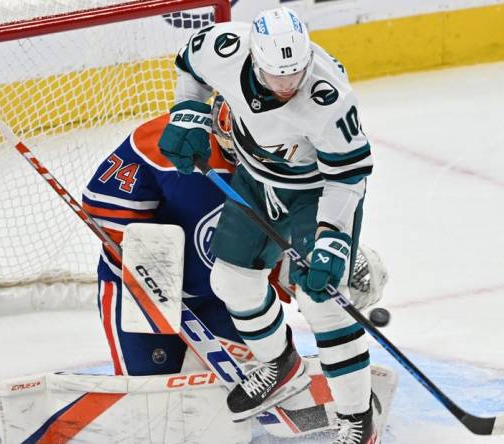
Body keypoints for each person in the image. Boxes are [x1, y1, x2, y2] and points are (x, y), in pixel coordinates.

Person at [158, 6, 376, 444]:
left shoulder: (328, 96)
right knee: (231, 281)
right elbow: (189, 67)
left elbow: (348, 176)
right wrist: (188, 113)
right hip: (255, 180)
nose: (285, 86)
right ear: (255, 57)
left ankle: (357, 416)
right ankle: (280, 363)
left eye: (294, 74)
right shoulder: (225, 48)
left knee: (322, 303)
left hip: (316, 192)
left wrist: (331, 239)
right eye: (277, 76)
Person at [82, 98, 385, 378]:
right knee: (150, 390)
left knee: (265, 373)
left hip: (226, 297)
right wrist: (154, 267)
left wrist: (319, 271)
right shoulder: (168, 140)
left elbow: (285, 244)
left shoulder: (291, 161)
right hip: (141, 289)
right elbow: (102, 207)